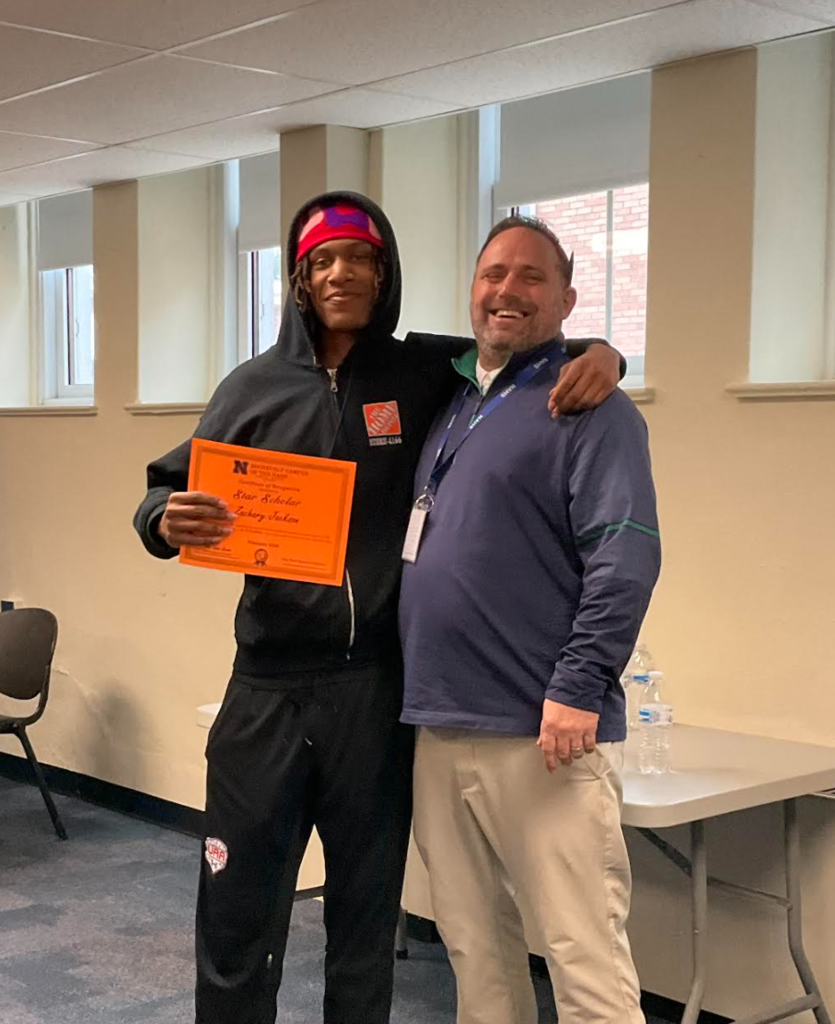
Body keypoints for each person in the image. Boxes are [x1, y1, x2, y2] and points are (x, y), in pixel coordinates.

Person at [133, 193, 624, 1024]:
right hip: (266, 691)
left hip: (376, 693)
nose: (341, 274)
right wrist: (158, 518)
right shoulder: (251, 387)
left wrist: (604, 352)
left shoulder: (425, 373)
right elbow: (169, 486)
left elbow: (521, 346)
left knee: (363, 922)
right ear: (297, 278)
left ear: (384, 272)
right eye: (322, 261)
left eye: (359, 258)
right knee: (237, 912)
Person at [399, 215, 662, 1024]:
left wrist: (579, 686)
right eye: (492, 274)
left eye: (530, 277)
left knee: (583, 956)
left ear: (567, 299)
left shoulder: (588, 404)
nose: (506, 290)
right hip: (439, 721)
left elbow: (625, 555)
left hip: (543, 731)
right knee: (475, 949)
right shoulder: (452, 396)